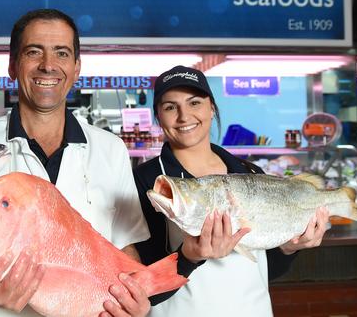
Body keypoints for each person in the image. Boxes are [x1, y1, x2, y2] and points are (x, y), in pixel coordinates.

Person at [0, 9, 152, 317]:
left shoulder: (110, 149)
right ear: (13, 66)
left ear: (76, 67)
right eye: (33, 52)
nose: (48, 65)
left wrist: (137, 298)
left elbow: (124, 250)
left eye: (62, 53)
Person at [133, 65, 330, 316]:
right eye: (170, 107)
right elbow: (141, 285)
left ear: (211, 108)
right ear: (158, 116)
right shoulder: (146, 181)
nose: (184, 116)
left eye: (195, 103)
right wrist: (188, 257)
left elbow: (268, 269)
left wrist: (290, 247)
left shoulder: (250, 173)